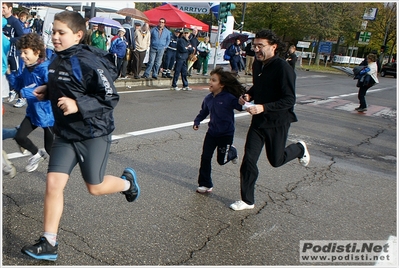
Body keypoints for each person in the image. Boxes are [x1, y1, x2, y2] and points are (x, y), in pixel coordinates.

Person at [20, 11, 140, 261]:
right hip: (65, 133)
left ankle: (128, 183)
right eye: (53, 31)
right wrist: (47, 91)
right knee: (53, 184)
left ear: (78, 35)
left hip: (93, 133)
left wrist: (78, 106)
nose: (54, 37)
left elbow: (109, 98)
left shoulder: (89, 61)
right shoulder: (56, 59)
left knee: (94, 187)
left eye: (61, 33)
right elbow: (65, 86)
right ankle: (49, 243)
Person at [229, 29, 310, 211]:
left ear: (273, 47)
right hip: (258, 121)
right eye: (254, 45)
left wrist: (264, 107)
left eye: (260, 46)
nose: (256, 50)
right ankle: (247, 200)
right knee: (249, 160)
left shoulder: (283, 68)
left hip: (278, 122)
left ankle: (299, 148)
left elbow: (289, 99)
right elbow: (259, 87)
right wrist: (248, 95)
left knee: (276, 160)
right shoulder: (258, 65)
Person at [5, 33, 54, 173]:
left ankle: (57, 176)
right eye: (21, 52)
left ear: (37, 52)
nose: (22, 56)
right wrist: (9, 73)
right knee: (19, 136)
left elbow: (51, 91)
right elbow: (19, 84)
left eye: (26, 52)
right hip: (33, 113)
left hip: (48, 116)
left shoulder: (45, 69)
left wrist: (26, 92)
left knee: (51, 148)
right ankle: (38, 154)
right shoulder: (27, 68)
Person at [193, 67, 246, 193]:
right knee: (205, 157)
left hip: (226, 134)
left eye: (214, 80)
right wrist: (197, 121)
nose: (210, 82)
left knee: (221, 161)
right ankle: (205, 184)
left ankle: (232, 152)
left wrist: (244, 102)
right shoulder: (208, 99)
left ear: (221, 84)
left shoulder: (229, 98)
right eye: (210, 79)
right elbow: (204, 112)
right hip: (211, 133)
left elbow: (240, 106)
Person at [2, 2, 25, 107]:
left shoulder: (14, 22)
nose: (2, 9)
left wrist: (9, 39)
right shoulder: (2, 20)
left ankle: (21, 97)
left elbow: (21, 36)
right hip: (3, 52)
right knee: (5, 73)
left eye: (3, 7)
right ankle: (11, 90)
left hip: (13, 53)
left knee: (16, 74)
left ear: (10, 8)